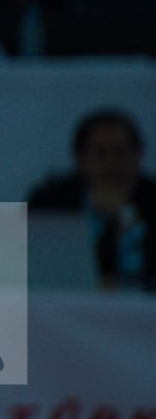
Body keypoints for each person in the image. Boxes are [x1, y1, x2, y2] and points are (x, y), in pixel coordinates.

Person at [29, 110, 156, 291]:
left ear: (138, 155)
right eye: (100, 153)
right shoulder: (50, 202)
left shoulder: (152, 199)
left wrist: (125, 215)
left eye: (122, 153)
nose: (112, 164)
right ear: (80, 159)